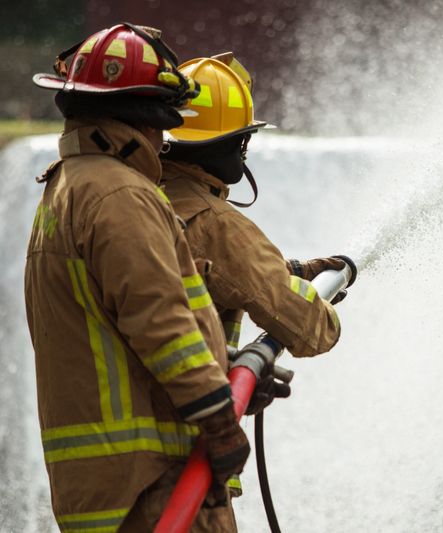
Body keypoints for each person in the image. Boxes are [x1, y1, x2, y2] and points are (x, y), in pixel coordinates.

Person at [27, 24, 249, 531]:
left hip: (106, 490)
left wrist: (227, 365)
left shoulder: (67, 188)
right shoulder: (120, 195)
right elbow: (159, 320)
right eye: (162, 123)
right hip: (155, 487)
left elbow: (116, 327)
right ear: (143, 118)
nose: (163, 140)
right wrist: (219, 418)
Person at [158, 54, 345, 418]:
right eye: (243, 140)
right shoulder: (215, 223)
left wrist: (287, 270)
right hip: (182, 445)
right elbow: (314, 330)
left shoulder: (143, 196)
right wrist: (320, 300)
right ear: (227, 143)